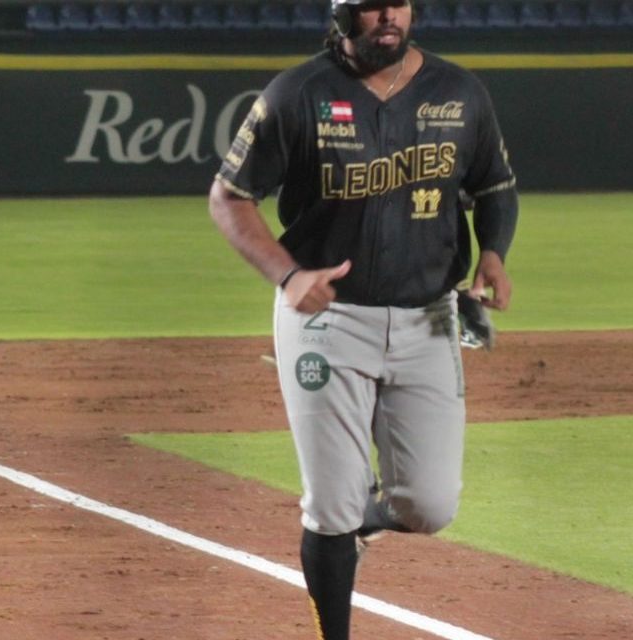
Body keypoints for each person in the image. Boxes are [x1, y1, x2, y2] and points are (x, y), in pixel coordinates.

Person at [207, 0, 519, 635]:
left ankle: (365, 521)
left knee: (429, 506)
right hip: (328, 318)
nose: (388, 17)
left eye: (397, 4)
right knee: (331, 504)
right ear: (343, 14)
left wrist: (492, 253)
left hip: (430, 318)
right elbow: (230, 197)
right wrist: (288, 275)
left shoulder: (459, 93)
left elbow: (494, 185)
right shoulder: (298, 94)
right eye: (372, 6)